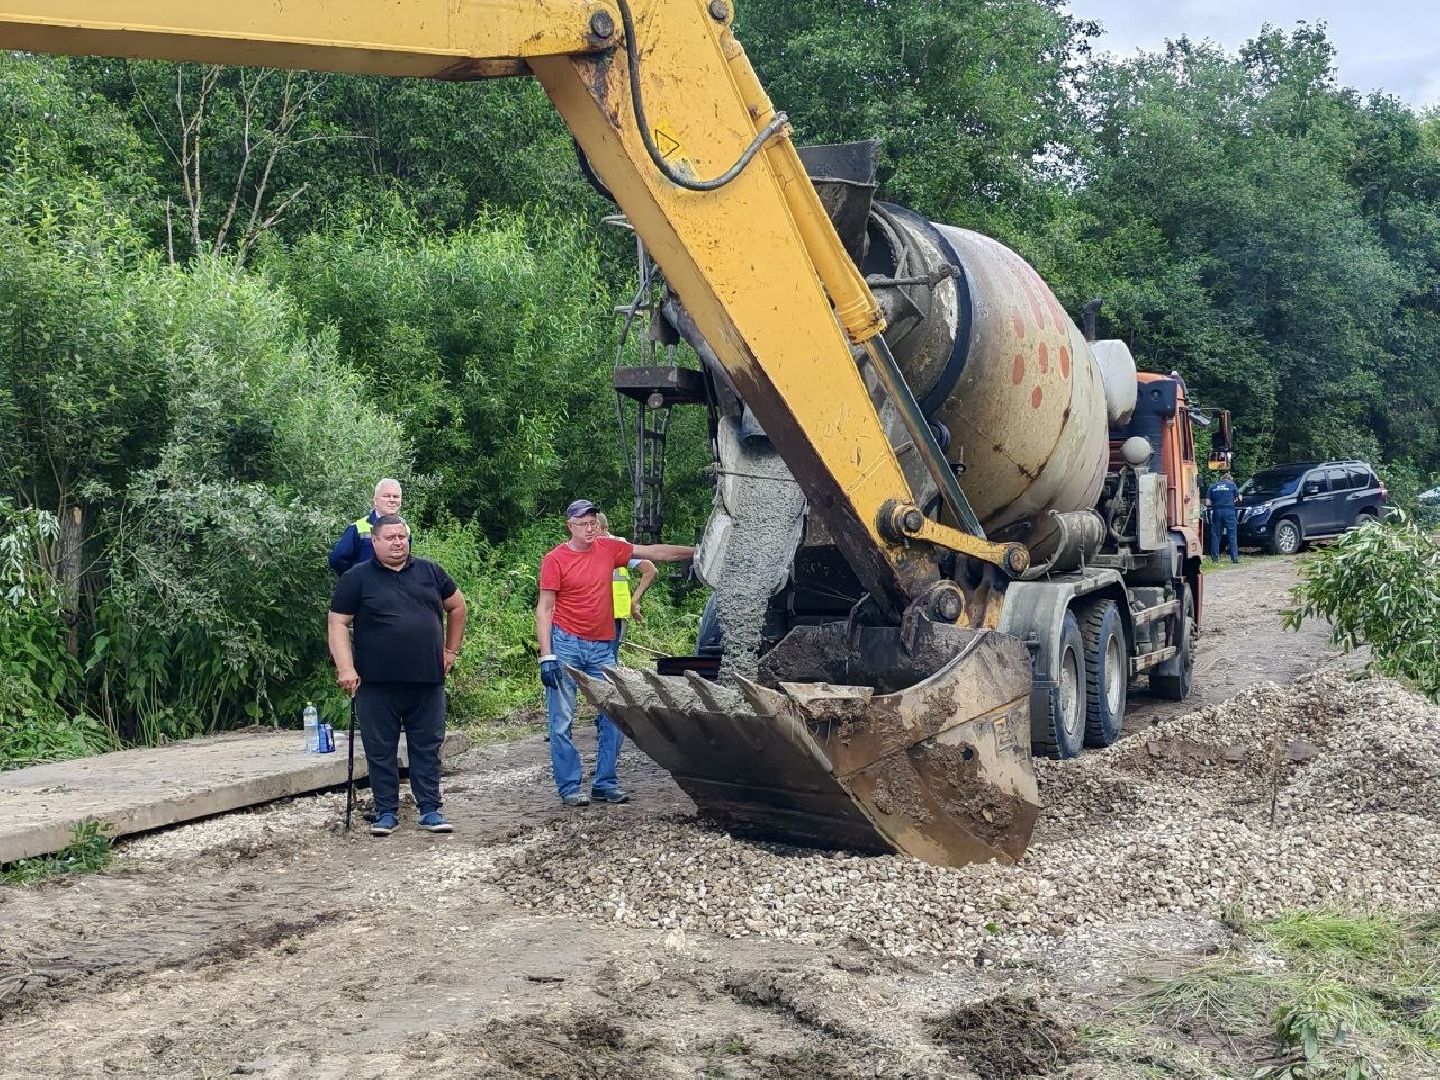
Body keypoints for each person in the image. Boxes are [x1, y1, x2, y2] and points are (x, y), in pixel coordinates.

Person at [536, 499, 693, 807]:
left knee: (615, 715)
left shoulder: (609, 549)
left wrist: (697, 551)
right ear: (570, 526)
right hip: (566, 644)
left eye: (593, 522)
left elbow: (655, 553)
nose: (590, 528)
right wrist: (547, 655)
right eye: (584, 523)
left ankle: (604, 782)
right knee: (562, 719)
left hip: (603, 646)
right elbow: (545, 609)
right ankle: (569, 786)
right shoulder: (555, 559)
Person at [328, 515, 467, 836]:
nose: (397, 542)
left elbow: (458, 607)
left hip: (427, 678)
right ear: (375, 542)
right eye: (390, 537)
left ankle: (430, 809)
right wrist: (346, 667)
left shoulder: (430, 571)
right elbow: (337, 623)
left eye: (402, 536)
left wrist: (451, 651)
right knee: (380, 749)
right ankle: (386, 811)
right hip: (376, 682)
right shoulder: (357, 577)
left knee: (427, 746)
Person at [595, 511, 657, 652]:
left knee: (607, 657)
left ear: (605, 528)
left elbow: (650, 570)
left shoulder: (618, 546)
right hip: (587, 613)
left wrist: (635, 600)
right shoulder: (582, 545)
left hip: (613, 615)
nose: (590, 530)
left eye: (594, 526)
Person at [328, 479, 404, 575]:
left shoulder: (405, 529)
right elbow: (337, 560)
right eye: (387, 496)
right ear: (375, 500)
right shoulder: (358, 528)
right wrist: (355, 579)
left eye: (396, 496)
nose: (392, 500)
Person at [1205, 470, 1242, 564]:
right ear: (1230, 479)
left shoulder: (1212, 486)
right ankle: (1234, 558)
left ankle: (1215, 558)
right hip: (1229, 512)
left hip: (1217, 512)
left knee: (1216, 535)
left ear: (1221, 479)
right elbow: (1239, 499)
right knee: (1232, 535)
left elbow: (1207, 503)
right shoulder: (1232, 485)